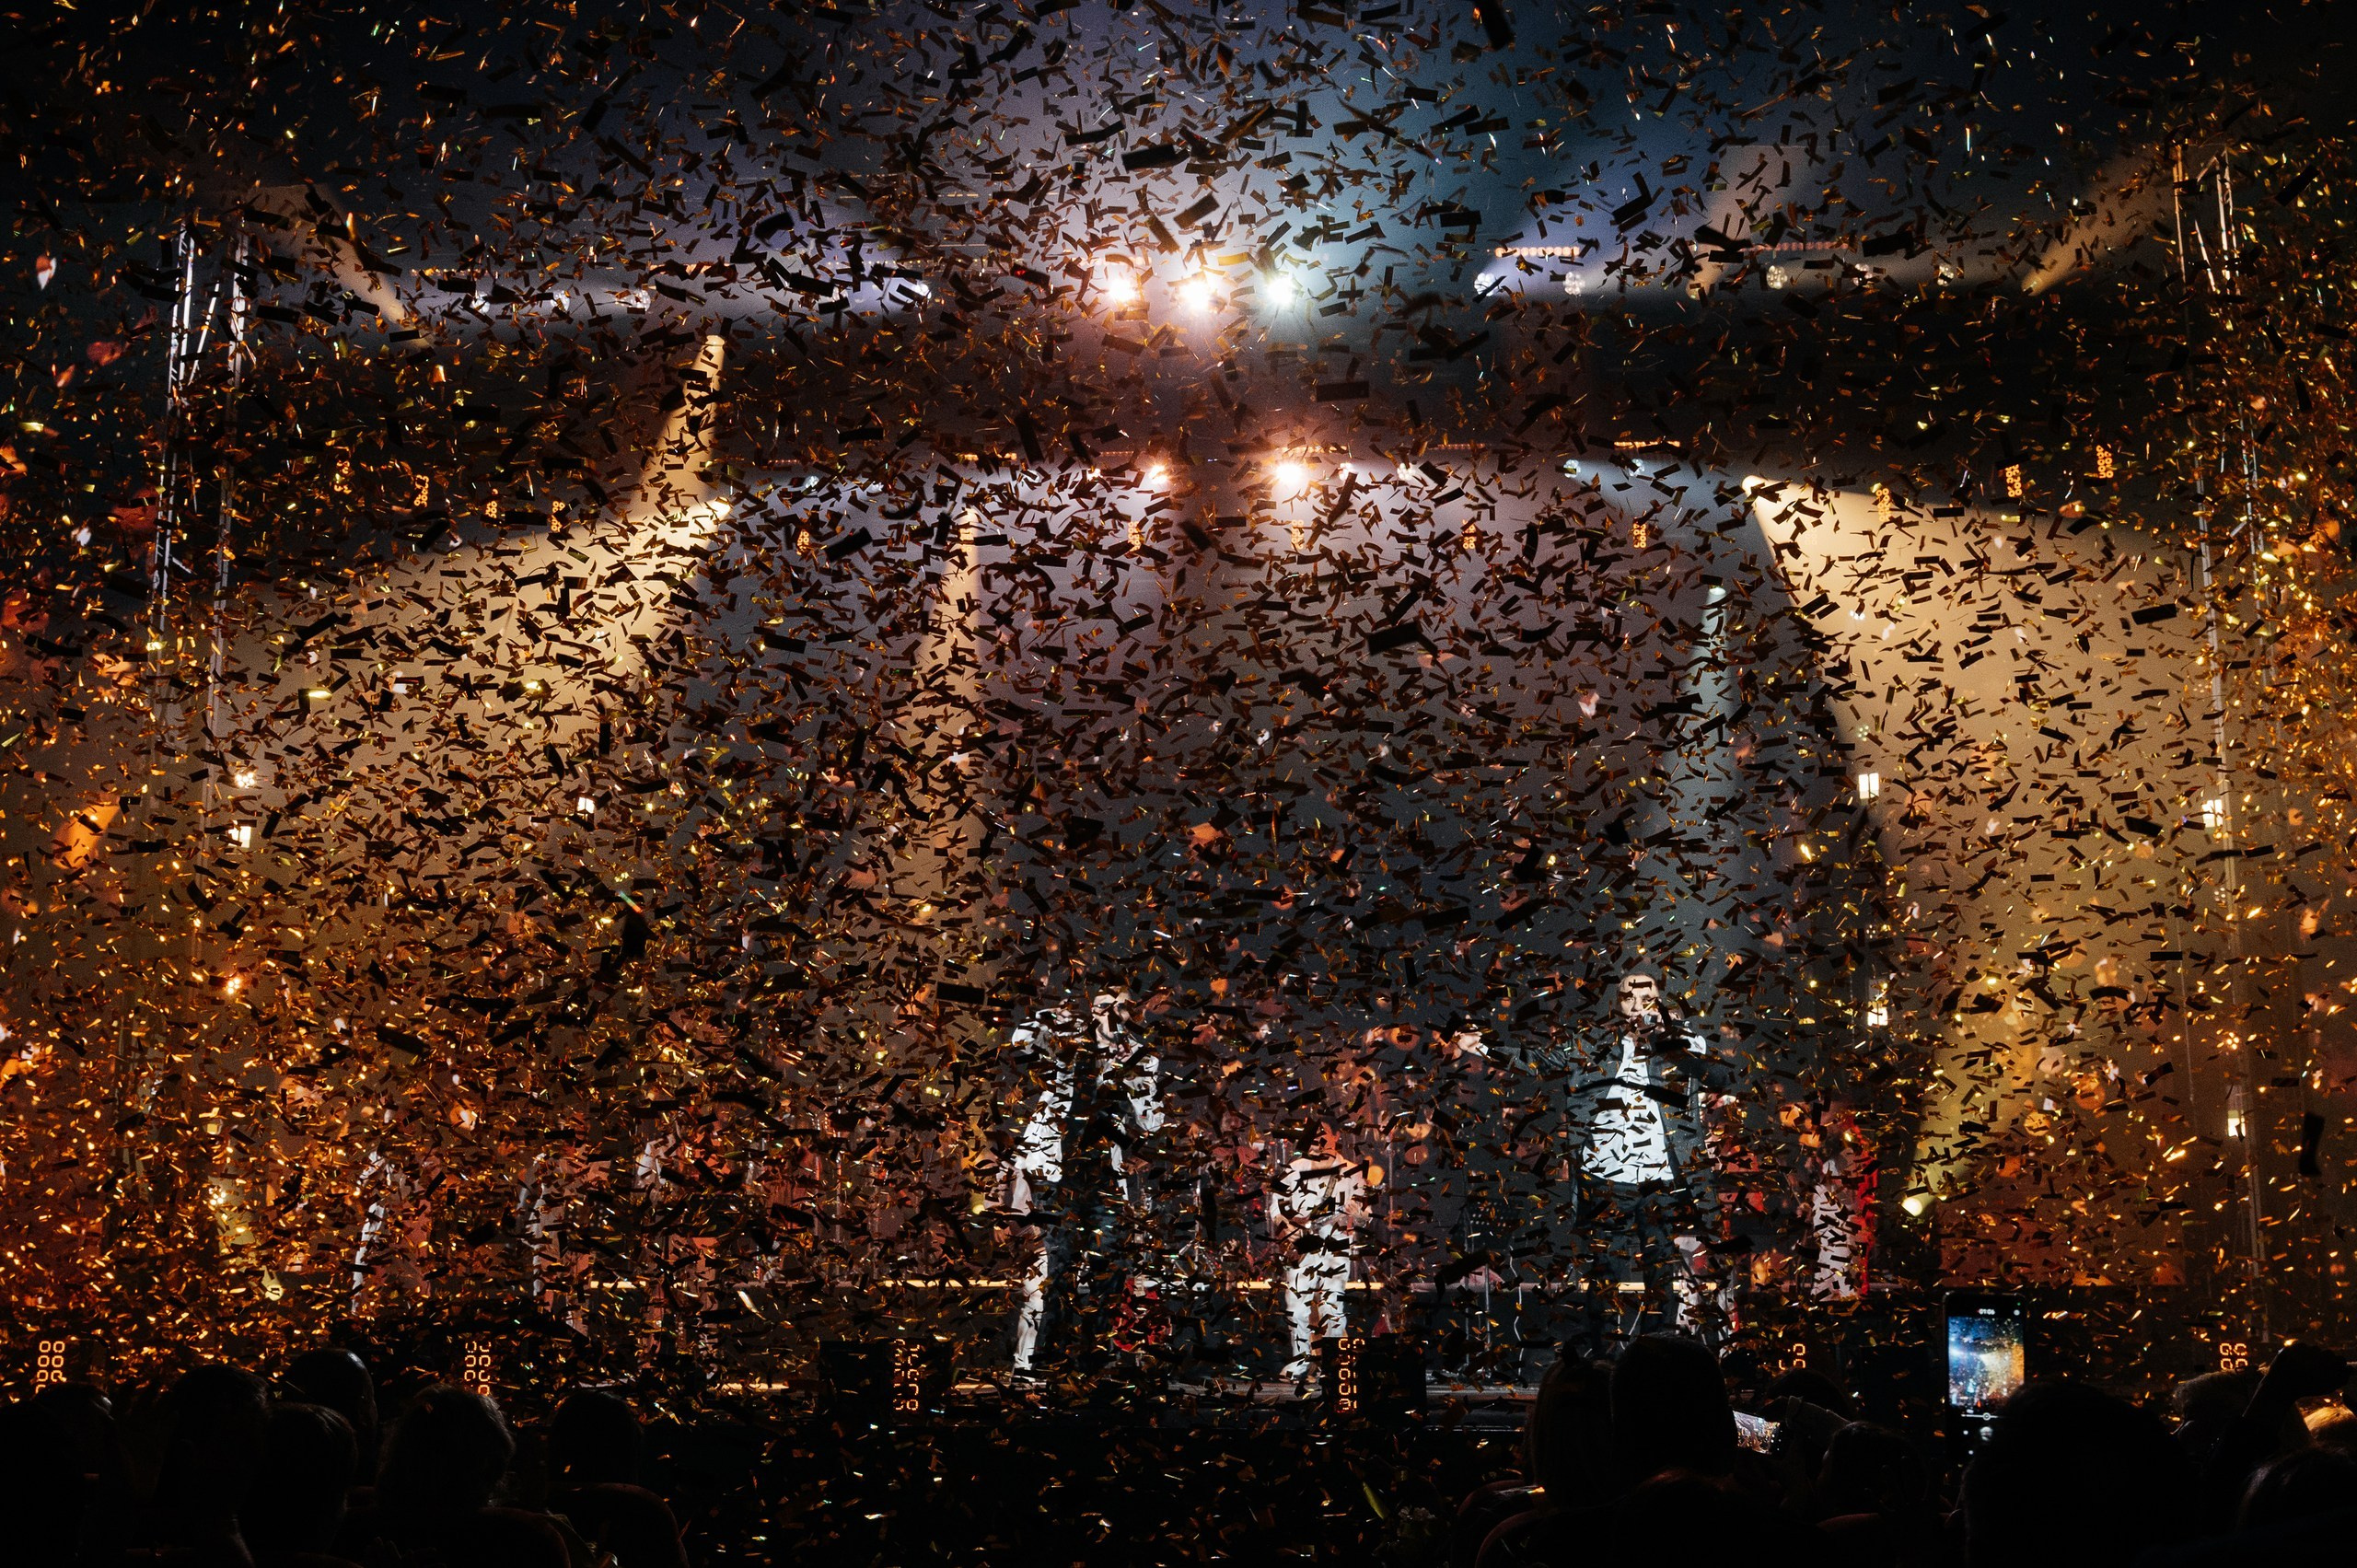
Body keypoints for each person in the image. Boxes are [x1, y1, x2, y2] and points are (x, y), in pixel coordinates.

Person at [1002, 985, 1165, 1375]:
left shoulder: (1139, 1058)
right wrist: (1049, 1015)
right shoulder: (1067, 1044)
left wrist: (1136, 1075)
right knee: (1061, 1265)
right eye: (1102, 1008)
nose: (1110, 1016)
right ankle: (1048, 1360)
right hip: (1059, 1172)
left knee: (1108, 1267)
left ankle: (1095, 1358)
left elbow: (1152, 1121)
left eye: (1119, 1009)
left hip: (1102, 1174)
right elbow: (1020, 1038)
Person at [1565, 969, 1735, 1334]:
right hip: (1607, 1179)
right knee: (1605, 1272)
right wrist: (1483, 1046)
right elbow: (1542, 1059)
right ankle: (1603, 1358)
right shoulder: (1595, 1045)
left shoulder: (1678, 1042)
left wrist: (1667, 1035)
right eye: (1630, 997)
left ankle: (1656, 1354)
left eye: (1647, 997)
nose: (1639, 1005)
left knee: (1661, 1267)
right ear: (1618, 1004)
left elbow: (1719, 1076)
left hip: (1658, 1180)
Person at [1270, 1119, 1371, 1384]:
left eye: (1323, 1134)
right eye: (1312, 1136)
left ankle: (1333, 1364)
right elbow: (1276, 1208)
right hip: (1302, 1246)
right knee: (1297, 1307)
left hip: (1335, 1244)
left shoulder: (1352, 1171)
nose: (1317, 1140)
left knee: (1332, 1306)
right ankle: (1300, 1363)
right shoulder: (1293, 1169)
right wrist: (1291, 1230)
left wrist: (1357, 1216)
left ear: (1336, 1136)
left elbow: (1365, 1214)